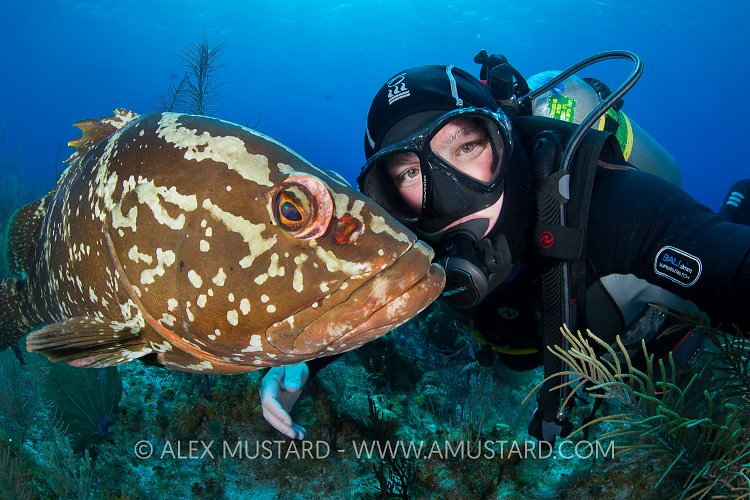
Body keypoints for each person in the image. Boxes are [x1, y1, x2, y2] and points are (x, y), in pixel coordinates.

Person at [261, 55, 750, 443]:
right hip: (529, 354)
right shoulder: (412, 248)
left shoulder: (616, 210)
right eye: (409, 173)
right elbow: (362, 304)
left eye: (467, 147)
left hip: (662, 352)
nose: (447, 197)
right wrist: (301, 361)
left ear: (506, 141)